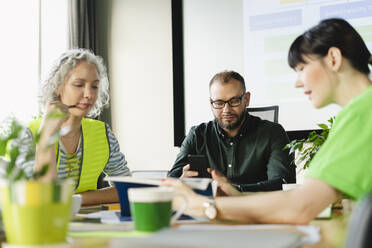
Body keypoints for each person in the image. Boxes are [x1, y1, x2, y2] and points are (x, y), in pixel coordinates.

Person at [163, 18, 372, 224]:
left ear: (333, 58)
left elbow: (300, 206)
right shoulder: (360, 111)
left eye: (301, 69)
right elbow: (305, 201)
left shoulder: (362, 115)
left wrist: (200, 205)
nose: (298, 83)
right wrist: (236, 196)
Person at [20, 48, 131, 206]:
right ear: (57, 87)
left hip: (90, 224)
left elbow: (127, 189)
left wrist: (76, 200)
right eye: (79, 85)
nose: (88, 94)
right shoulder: (28, 134)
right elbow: (41, 197)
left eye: (94, 86)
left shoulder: (103, 134)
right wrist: (47, 135)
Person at [168, 70, 296, 192]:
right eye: (219, 102)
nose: (226, 110)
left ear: (246, 99)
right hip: (210, 209)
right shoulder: (197, 135)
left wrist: (236, 190)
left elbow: (282, 182)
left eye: (234, 101)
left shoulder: (273, 133)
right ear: (211, 103)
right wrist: (180, 182)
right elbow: (171, 179)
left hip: (257, 209)